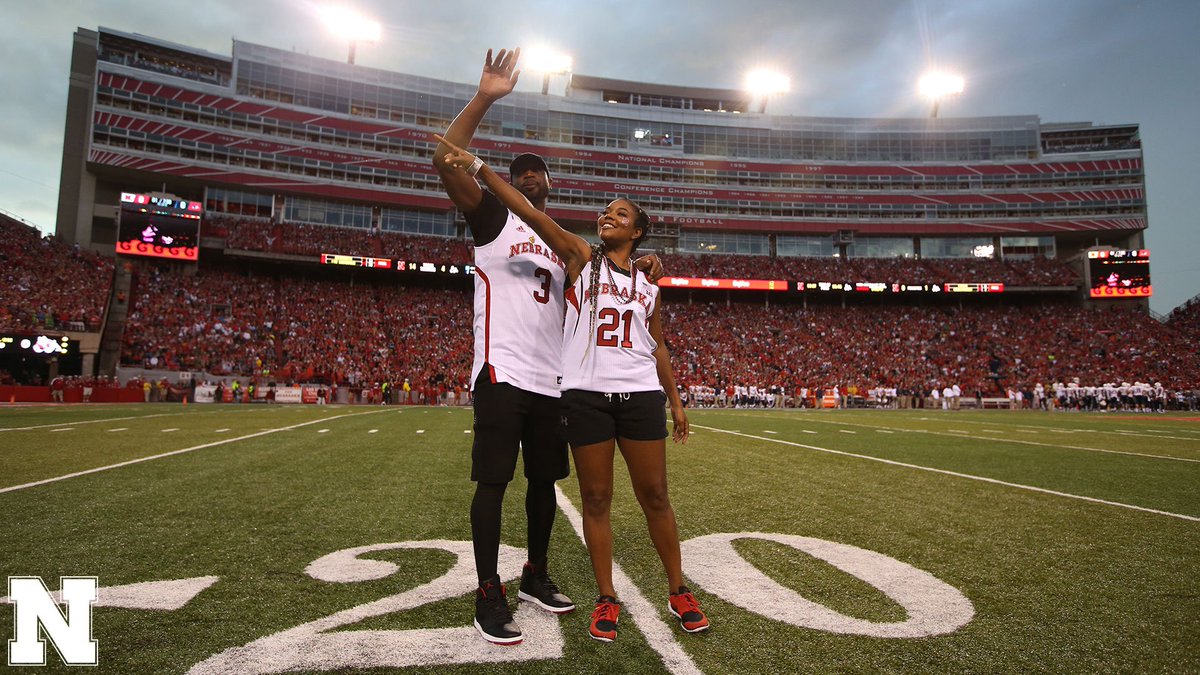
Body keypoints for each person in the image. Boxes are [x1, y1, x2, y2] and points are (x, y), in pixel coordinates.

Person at [437, 133, 710, 642]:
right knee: (594, 498)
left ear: (641, 232)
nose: (607, 216)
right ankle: (599, 598)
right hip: (579, 393)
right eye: (605, 210)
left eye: (620, 214)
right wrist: (479, 167)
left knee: (652, 494)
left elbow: (659, 346)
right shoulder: (581, 257)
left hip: (623, 391)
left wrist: (675, 401)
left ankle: (676, 589)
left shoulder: (649, 283)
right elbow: (526, 210)